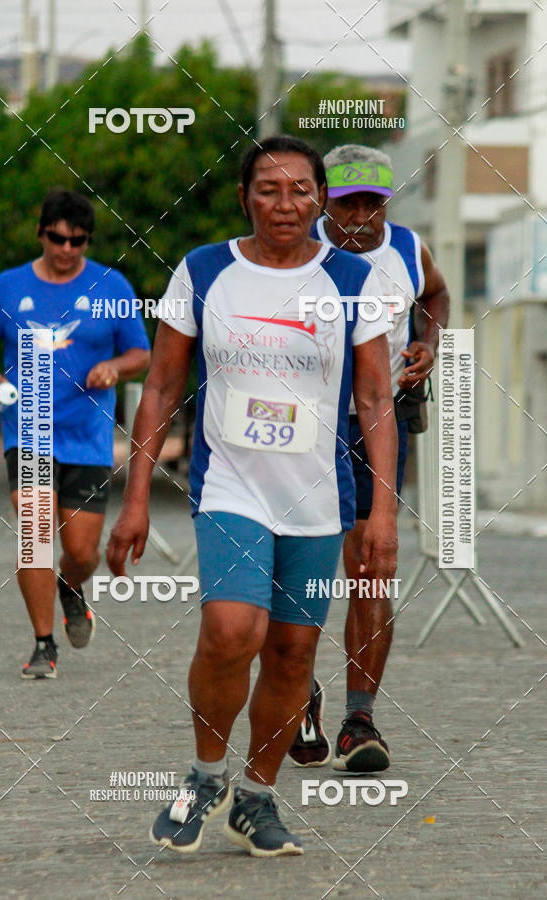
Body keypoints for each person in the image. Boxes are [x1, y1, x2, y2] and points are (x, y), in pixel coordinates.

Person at [107, 135, 398, 857]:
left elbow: (374, 396)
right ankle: (205, 774)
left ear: (321, 200)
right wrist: (137, 499)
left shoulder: (353, 279)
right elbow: (164, 388)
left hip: (317, 498)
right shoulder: (206, 271)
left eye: (301, 189)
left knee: (295, 654)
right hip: (230, 485)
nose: (285, 203)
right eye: (268, 189)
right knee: (234, 632)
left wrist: (383, 509)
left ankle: (257, 797)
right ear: (244, 197)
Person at [288, 144, 449, 773]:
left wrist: (425, 343)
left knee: (372, 565)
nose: (360, 215)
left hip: (378, 427)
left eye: (372, 202)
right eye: (348, 200)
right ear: (324, 196)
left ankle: (360, 719)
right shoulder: (293, 250)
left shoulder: (408, 248)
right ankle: (298, 692)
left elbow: (435, 295)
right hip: (302, 430)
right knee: (297, 565)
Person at [0, 188, 151, 679]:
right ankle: (44, 644)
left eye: (78, 242)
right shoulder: (7, 287)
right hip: (29, 428)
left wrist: (114, 366)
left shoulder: (113, 287)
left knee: (83, 552)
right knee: (34, 535)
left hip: (87, 433)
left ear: (87, 241)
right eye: (58, 239)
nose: (67, 250)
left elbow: (140, 353)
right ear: (41, 233)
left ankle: (72, 587)